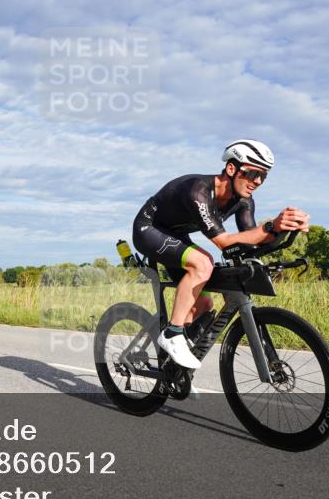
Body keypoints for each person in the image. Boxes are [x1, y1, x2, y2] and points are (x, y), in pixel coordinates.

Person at [132, 140, 309, 369]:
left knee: (203, 304)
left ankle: (172, 367)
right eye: (252, 173)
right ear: (232, 168)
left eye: (262, 177)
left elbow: (249, 241)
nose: (257, 181)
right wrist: (270, 226)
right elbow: (224, 243)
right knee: (203, 263)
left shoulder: (244, 200)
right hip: (149, 230)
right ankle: (171, 335)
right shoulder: (199, 191)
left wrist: (282, 230)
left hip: (177, 235)